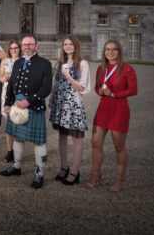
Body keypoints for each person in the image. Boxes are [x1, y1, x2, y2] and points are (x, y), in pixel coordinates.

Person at [0, 34, 52, 189]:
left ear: (36, 46)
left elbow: (46, 88)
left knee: (38, 141)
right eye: (25, 44)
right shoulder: (18, 63)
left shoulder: (45, 64)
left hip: (33, 106)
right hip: (16, 106)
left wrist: (28, 100)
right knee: (17, 138)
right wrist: (8, 103)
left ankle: (39, 173)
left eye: (30, 44)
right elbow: (10, 85)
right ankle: (16, 166)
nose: (27, 47)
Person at [85, 40, 137, 192]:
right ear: (104, 51)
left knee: (119, 146)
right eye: (107, 49)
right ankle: (95, 175)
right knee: (95, 142)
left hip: (119, 109)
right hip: (103, 109)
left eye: (114, 49)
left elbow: (133, 90)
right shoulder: (102, 68)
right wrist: (100, 91)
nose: (110, 52)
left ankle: (120, 179)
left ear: (119, 51)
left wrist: (114, 93)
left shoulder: (127, 69)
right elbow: (97, 87)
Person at [49, 35, 91, 185]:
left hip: (74, 105)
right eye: (65, 44)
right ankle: (63, 167)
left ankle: (74, 171)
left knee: (77, 138)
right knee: (62, 135)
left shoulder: (83, 64)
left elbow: (82, 88)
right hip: (60, 104)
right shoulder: (60, 63)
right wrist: (52, 98)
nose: (67, 46)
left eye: (70, 44)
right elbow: (56, 83)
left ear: (76, 46)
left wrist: (68, 76)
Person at [0, 40, 21, 163]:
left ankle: (18, 152)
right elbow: (0, 78)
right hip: (6, 95)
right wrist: (4, 78)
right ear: (9, 49)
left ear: (19, 49)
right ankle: (9, 151)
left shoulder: (23, 61)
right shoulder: (5, 61)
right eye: (11, 48)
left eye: (16, 47)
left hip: (19, 95)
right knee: (8, 126)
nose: (13, 50)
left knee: (17, 125)